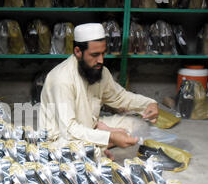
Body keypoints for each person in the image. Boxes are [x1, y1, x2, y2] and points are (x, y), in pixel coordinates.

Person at [39, 23, 159, 160]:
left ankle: (100, 143)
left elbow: (119, 97)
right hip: (62, 137)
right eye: (95, 55)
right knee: (83, 153)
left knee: (135, 124)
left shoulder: (100, 71)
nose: (101, 60)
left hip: (89, 128)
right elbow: (69, 130)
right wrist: (110, 135)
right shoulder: (61, 79)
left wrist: (148, 103)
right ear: (78, 52)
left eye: (103, 53)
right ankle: (100, 146)